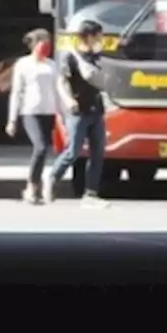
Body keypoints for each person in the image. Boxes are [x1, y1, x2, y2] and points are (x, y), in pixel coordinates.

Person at [44, 19, 109, 207]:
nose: (100, 39)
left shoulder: (96, 56)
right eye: (98, 36)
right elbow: (62, 82)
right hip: (78, 111)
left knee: (98, 153)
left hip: (96, 110)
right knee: (73, 151)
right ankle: (52, 178)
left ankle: (91, 193)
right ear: (88, 36)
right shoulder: (70, 56)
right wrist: (67, 99)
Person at [5, 28, 62, 204]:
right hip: (30, 111)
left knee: (44, 150)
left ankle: (36, 185)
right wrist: (12, 119)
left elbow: (58, 89)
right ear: (35, 45)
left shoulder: (52, 65)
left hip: (49, 111)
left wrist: (62, 113)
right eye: (43, 44)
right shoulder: (23, 64)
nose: (46, 48)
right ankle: (32, 185)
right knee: (41, 147)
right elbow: (16, 92)